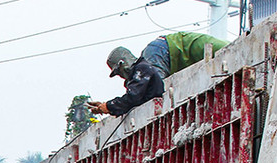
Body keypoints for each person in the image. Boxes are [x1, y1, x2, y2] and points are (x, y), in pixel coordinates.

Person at [89, 32, 229, 116]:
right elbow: (138, 95)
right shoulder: (146, 65)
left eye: (118, 73)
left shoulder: (145, 64)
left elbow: (135, 95)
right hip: (175, 48)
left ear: (122, 64)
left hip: (171, 46)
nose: (121, 76)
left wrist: (109, 106)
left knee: (162, 90)